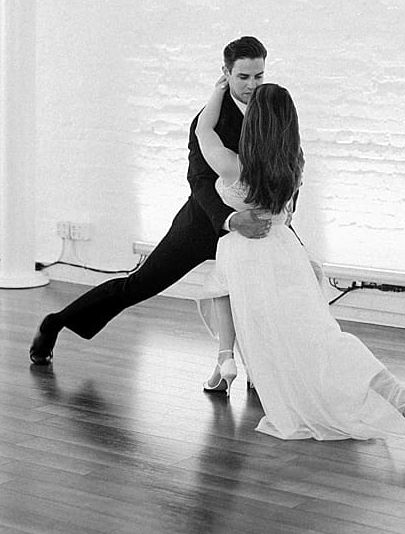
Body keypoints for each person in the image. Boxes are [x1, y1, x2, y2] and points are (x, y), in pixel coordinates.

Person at [192, 80, 405, 446]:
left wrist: (221, 87)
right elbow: (288, 216)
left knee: (292, 341)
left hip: (247, 257)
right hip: (284, 253)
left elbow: (203, 129)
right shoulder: (294, 162)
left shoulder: (233, 167)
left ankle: (226, 357)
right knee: (317, 342)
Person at [29, 37, 276, 366]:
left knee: (274, 290)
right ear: (226, 73)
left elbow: (288, 162)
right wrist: (230, 221)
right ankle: (54, 323)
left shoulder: (274, 109)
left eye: (258, 76)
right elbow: (200, 182)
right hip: (203, 222)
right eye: (243, 77)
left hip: (256, 226)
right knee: (138, 285)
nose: (252, 85)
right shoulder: (208, 119)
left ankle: (263, 371)